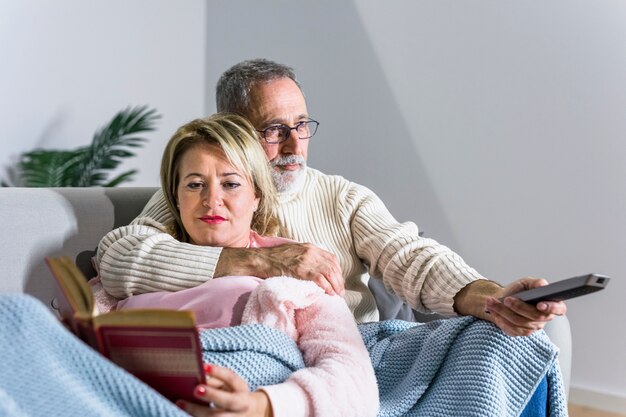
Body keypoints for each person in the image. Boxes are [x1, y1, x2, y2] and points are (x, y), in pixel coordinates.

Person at [98, 58, 566, 337]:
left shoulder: (342, 197)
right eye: (274, 130)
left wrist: (492, 298)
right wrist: (265, 262)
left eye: (301, 125)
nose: (294, 145)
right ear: (234, 132)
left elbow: (410, 257)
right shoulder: (200, 194)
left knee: (504, 344)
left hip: (359, 346)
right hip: (269, 353)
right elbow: (120, 257)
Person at [112, 112, 379, 416]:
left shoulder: (296, 270)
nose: (212, 200)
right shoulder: (145, 257)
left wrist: (261, 406)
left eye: (231, 184)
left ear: (257, 196)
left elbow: (354, 381)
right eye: (195, 184)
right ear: (175, 196)